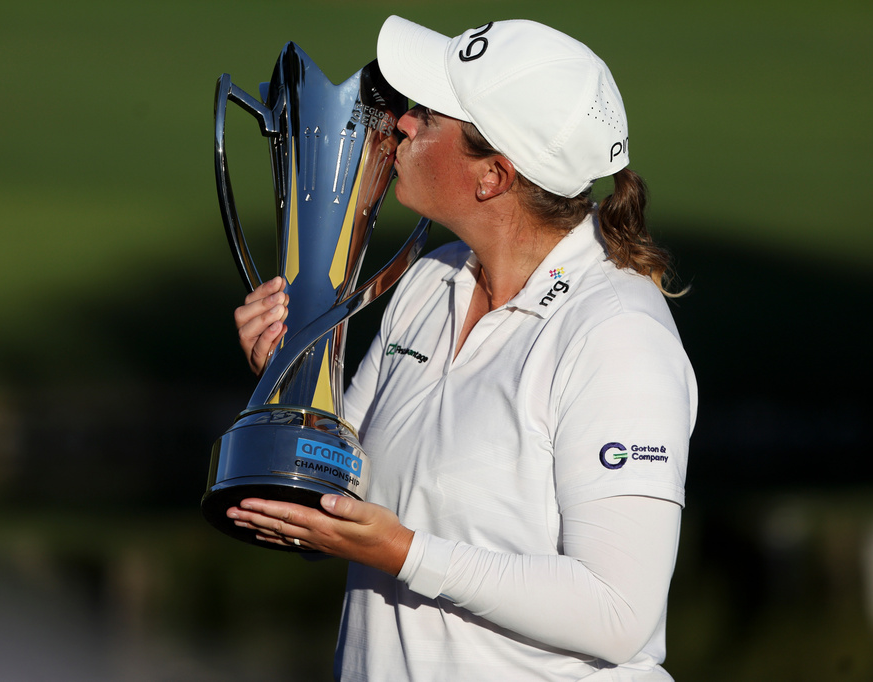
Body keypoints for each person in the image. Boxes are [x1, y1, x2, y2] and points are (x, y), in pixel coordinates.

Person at [227, 15, 698, 681]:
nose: (403, 125)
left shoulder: (619, 333)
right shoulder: (430, 279)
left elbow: (619, 613)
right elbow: (338, 507)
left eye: (427, 115)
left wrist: (407, 553)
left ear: (493, 176)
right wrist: (290, 381)